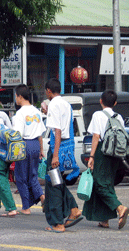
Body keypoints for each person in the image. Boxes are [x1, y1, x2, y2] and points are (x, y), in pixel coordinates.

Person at [83, 90, 129, 229]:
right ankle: (105, 219)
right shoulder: (118, 117)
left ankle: (119, 207)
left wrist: (91, 156)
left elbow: (96, 136)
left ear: (100, 101)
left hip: (102, 152)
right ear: (115, 103)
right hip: (115, 154)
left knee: (98, 183)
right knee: (107, 183)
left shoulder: (98, 115)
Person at [43, 78, 82, 233]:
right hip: (67, 146)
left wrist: (55, 155)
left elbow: (57, 131)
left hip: (57, 148)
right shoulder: (66, 104)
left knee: (52, 186)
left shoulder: (53, 104)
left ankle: (58, 222)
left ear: (48, 91)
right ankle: (73, 208)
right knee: (57, 182)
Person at [12, 84, 46, 215]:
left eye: (16, 96)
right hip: (36, 145)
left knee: (20, 176)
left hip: (23, 144)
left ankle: (26, 207)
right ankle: (42, 197)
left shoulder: (20, 113)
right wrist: (41, 149)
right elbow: (40, 134)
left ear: (20, 96)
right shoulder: (36, 111)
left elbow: (18, 134)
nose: (15, 98)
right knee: (33, 176)